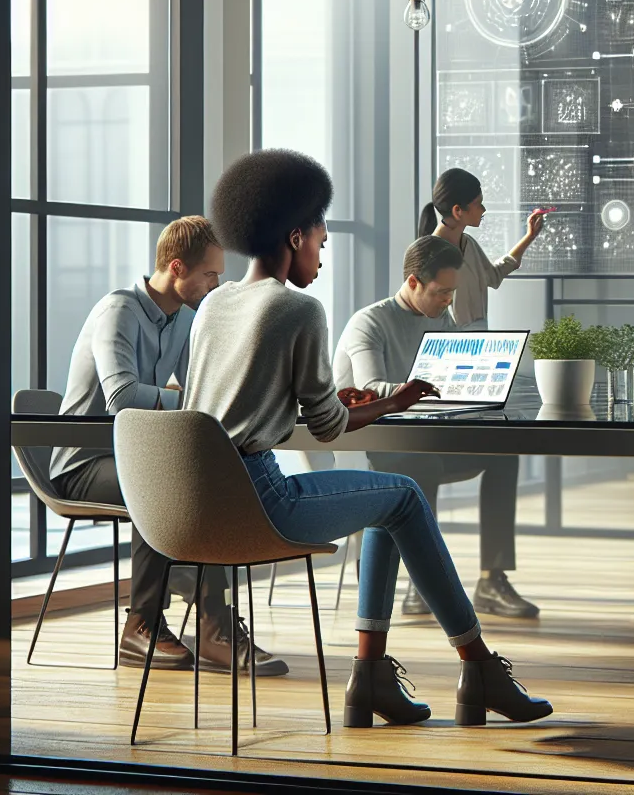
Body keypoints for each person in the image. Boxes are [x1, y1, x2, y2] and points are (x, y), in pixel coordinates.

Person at [185, 149, 551, 728]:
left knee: (388, 497)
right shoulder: (297, 308)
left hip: (197, 504)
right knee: (403, 495)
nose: (324, 252)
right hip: (261, 503)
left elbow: (232, 408)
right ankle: (479, 666)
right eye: (322, 239)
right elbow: (328, 426)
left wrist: (347, 400)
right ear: (295, 233)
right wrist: (396, 400)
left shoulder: (213, 304)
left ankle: (373, 678)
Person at [49, 216, 283, 674]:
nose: (218, 283)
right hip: (83, 463)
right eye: (210, 274)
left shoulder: (184, 320)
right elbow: (120, 397)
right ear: (177, 267)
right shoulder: (118, 311)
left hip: (137, 457)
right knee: (164, 488)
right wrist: (182, 399)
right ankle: (143, 626)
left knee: (210, 485)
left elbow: (201, 390)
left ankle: (213, 625)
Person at [334, 235, 539, 620]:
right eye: (441, 292)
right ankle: (418, 584)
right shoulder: (369, 322)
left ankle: (491, 580)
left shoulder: (439, 316)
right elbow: (370, 387)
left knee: (502, 452)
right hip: (378, 437)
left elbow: (446, 376)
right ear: (413, 282)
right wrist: (413, 391)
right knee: (422, 465)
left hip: (423, 433)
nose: (449, 302)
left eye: (452, 293)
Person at [421, 168, 548, 330]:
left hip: (479, 340)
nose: (483, 210)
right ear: (457, 211)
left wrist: (530, 236)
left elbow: (493, 276)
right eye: (478, 204)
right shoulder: (430, 254)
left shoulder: (469, 244)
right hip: (451, 345)